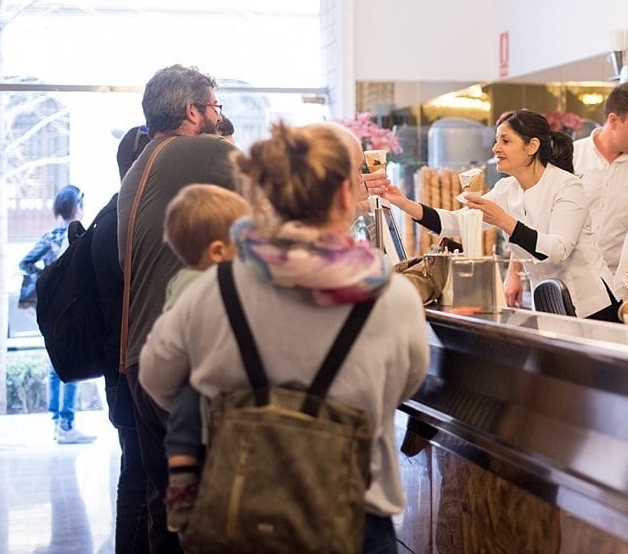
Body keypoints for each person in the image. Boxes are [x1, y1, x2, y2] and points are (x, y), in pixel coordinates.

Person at [139, 122, 429, 554]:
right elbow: (404, 385)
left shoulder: (212, 290)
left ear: (266, 196)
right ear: (348, 196)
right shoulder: (395, 298)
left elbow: (157, 378)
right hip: (354, 521)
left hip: (238, 514)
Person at [117, 64, 237, 554]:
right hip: (184, 365)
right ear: (192, 111)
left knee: (168, 511)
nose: (218, 117)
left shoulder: (141, 163)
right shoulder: (199, 151)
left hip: (140, 362)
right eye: (215, 108)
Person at [372, 109, 621, 321]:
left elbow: (557, 249)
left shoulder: (567, 186)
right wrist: (403, 203)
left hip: (594, 305)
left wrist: (504, 220)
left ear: (532, 146)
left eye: (505, 141)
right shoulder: (506, 188)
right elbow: (457, 221)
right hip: (551, 305)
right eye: (496, 140)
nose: (495, 148)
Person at [157, 183, 251, 534]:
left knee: (185, 424)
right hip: (205, 377)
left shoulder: (185, 279)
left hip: (199, 375)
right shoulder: (207, 285)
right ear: (216, 251)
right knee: (187, 415)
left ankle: (183, 489)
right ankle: (181, 490)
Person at [85, 125, 154, 553]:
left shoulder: (111, 215)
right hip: (130, 365)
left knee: (137, 472)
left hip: (121, 363)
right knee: (138, 477)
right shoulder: (127, 223)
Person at [19, 184, 97, 444]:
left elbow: (25, 263)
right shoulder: (82, 235)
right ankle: (66, 423)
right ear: (77, 206)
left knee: (56, 361)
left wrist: (45, 280)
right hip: (75, 306)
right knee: (75, 358)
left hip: (52, 307)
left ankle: (58, 422)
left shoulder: (51, 235)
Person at [572, 82, 628, 282]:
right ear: (613, 120)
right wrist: (514, 273)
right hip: (566, 279)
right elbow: (535, 213)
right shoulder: (570, 157)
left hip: (616, 284)